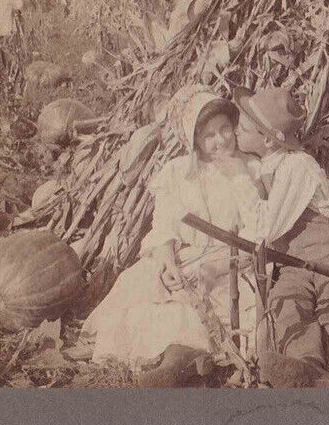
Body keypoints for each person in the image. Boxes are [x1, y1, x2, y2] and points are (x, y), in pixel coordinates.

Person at [81, 86, 266, 386]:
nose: (220, 140)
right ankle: (169, 361)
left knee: (225, 305)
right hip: (185, 257)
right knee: (150, 287)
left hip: (231, 263)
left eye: (224, 130)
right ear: (194, 140)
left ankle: (188, 360)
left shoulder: (250, 169)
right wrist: (167, 261)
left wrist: (217, 267)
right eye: (208, 135)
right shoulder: (177, 172)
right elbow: (163, 225)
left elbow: (257, 234)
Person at [232, 86, 329, 387]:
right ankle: (305, 368)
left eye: (243, 128)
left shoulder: (296, 166)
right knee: (286, 305)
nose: (236, 132)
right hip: (293, 263)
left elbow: (269, 227)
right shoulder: (267, 166)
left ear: (267, 140)